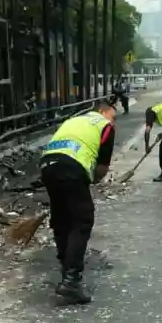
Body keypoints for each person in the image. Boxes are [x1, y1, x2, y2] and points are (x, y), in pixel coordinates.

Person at [40, 101, 116, 304]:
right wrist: (93, 180)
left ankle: (66, 273)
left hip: (47, 165)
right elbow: (101, 167)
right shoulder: (104, 125)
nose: (113, 120)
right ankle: (72, 282)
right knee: (82, 220)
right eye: (112, 115)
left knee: (61, 219)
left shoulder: (74, 120)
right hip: (71, 167)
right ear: (102, 112)